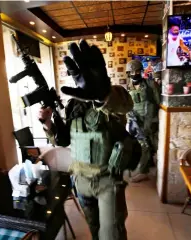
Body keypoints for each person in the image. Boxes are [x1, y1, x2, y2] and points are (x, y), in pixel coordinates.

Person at [38, 39, 138, 240]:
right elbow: (63, 140)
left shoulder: (113, 96)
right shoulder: (73, 104)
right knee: (94, 228)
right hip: (81, 179)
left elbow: (126, 106)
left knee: (111, 234)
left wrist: (102, 95)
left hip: (107, 180)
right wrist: (47, 123)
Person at [126, 60, 160, 183]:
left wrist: (153, 120)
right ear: (128, 73)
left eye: (137, 71)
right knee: (143, 144)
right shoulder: (128, 86)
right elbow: (128, 104)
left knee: (147, 145)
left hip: (149, 120)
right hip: (135, 120)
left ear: (141, 71)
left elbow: (158, 102)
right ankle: (146, 166)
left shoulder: (150, 85)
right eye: (132, 72)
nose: (134, 74)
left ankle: (143, 171)